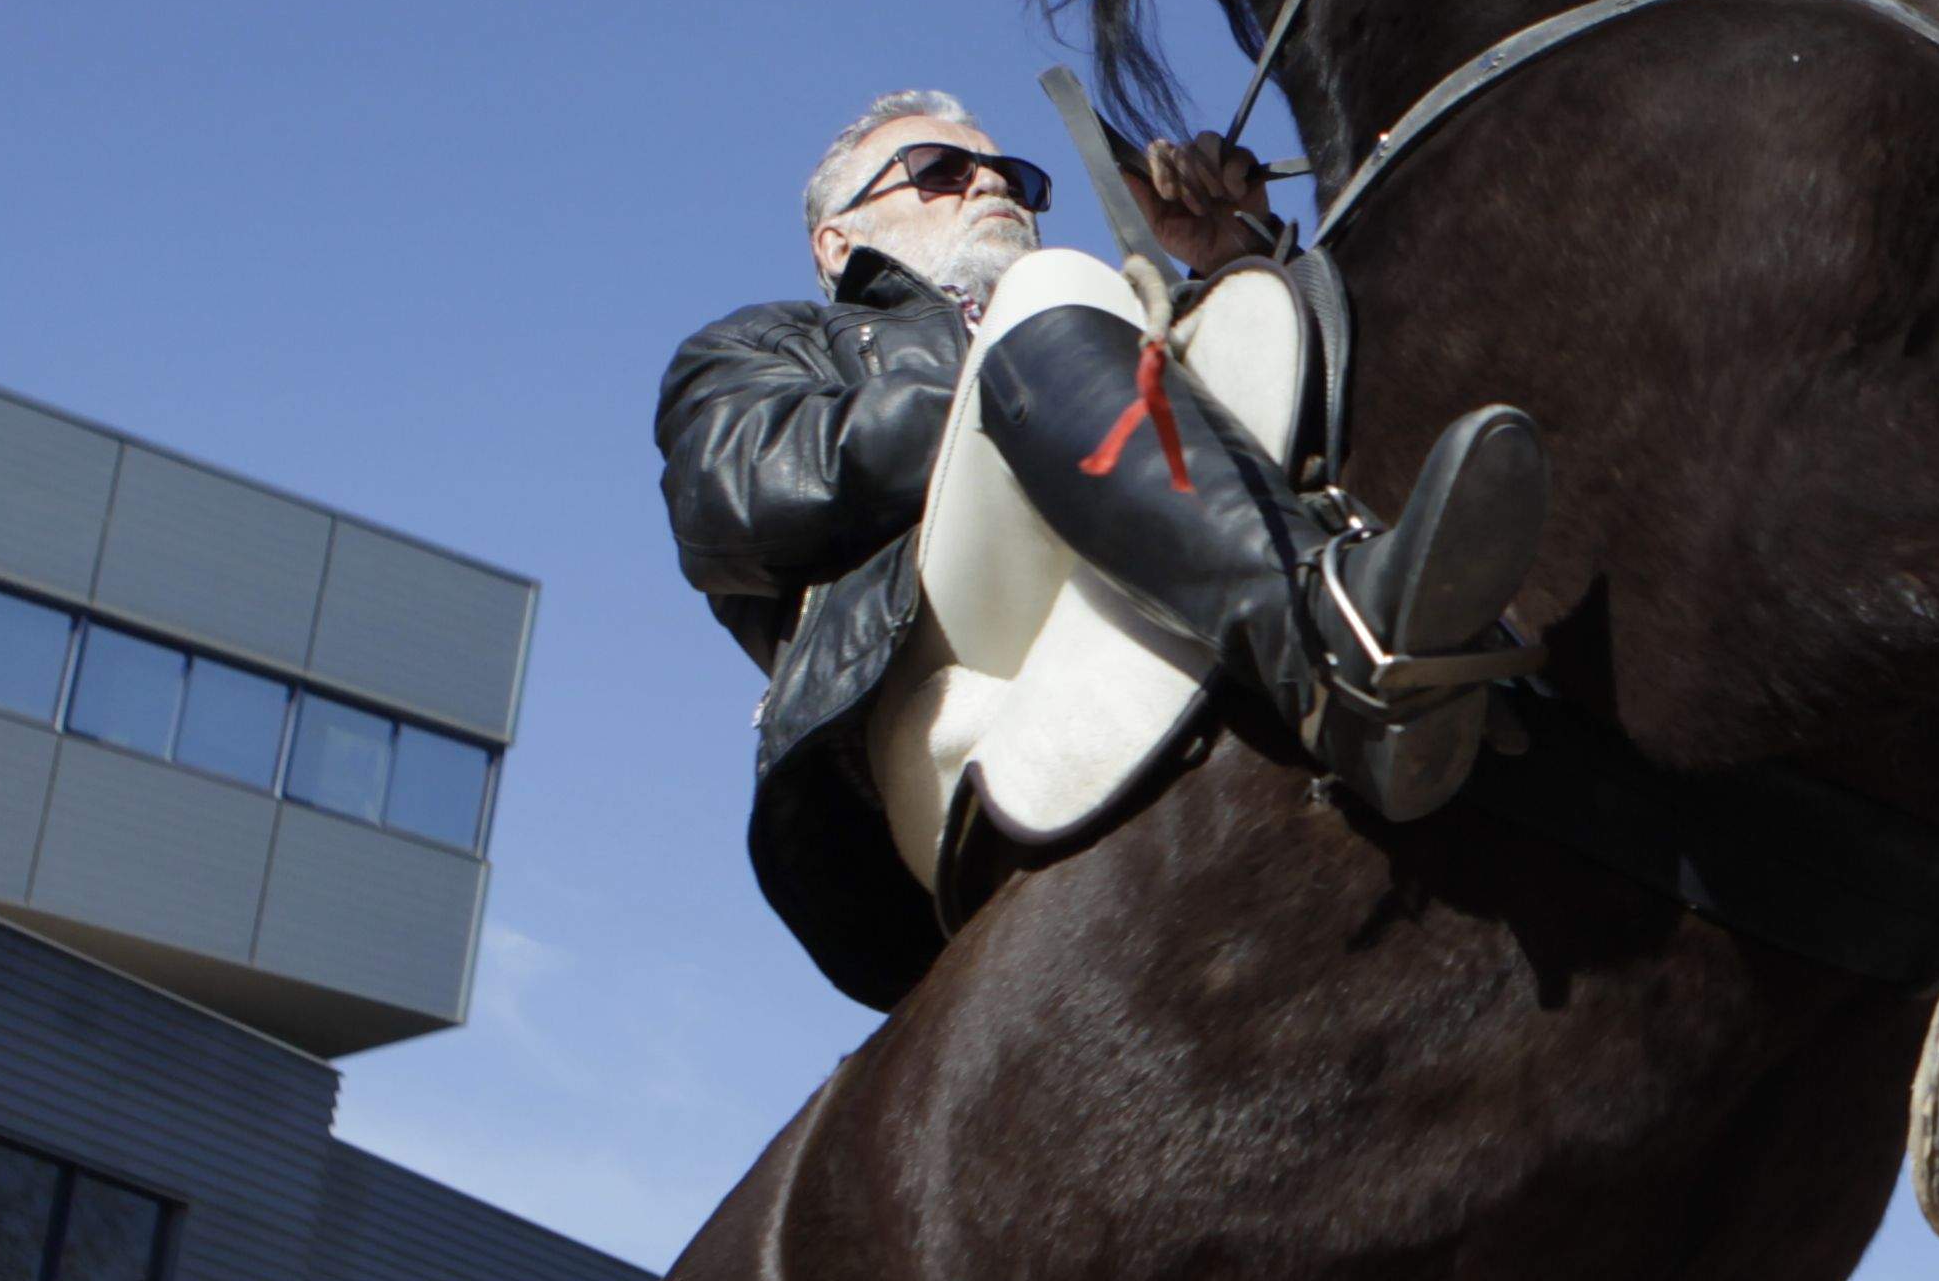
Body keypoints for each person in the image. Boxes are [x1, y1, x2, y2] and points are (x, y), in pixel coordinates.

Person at [658, 88, 1543, 1009]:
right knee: (1057, 290)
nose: (991, 187)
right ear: (837, 244)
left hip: (1127, 592)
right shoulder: (767, 343)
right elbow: (735, 493)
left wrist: (1237, 265)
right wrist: (1008, 358)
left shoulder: (1093, 315)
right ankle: (1347, 647)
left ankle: (1353, 626)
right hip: (943, 670)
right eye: (942, 171)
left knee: (1211, 320)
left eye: (1015, 176)